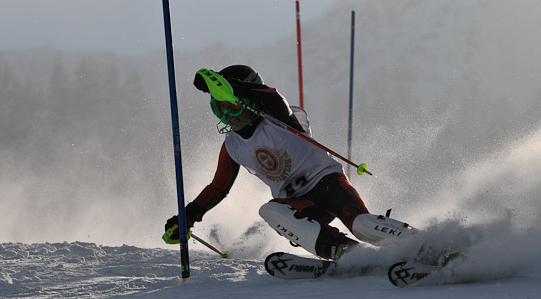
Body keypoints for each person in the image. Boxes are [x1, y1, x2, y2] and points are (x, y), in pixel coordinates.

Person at [165, 65, 413, 260]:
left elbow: (273, 98)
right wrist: (187, 217)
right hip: (302, 203)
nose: (228, 116)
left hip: (329, 185)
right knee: (270, 210)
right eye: (220, 109)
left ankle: (420, 244)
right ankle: (346, 252)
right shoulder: (233, 145)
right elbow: (218, 188)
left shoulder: (279, 119)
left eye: (232, 106)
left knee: (362, 225)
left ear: (249, 101)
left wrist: (238, 88)